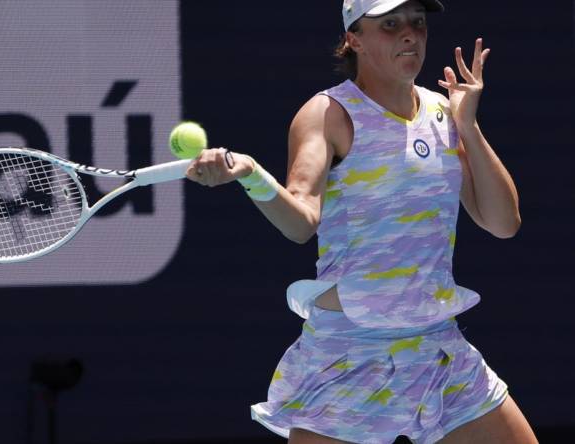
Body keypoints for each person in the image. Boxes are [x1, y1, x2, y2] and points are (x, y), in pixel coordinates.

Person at [185, 1, 539, 443]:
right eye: (390, 25)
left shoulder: (444, 113)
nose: (409, 34)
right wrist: (251, 175)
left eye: (417, 23)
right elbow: (300, 222)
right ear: (354, 38)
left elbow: (504, 223)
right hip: (350, 353)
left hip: (436, 349)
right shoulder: (327, 114)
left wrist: (468, 126)